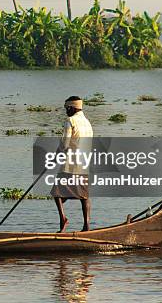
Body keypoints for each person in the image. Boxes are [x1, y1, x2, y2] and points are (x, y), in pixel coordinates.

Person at [50, 96, 93, 232]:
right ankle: (86, 226)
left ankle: (63, 219)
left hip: (71, 163)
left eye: (66, 108)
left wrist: (55, 157)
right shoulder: (87, 122)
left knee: (57, 192)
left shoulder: (70, 121)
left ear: (72, 108)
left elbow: (65, 143)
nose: (66, 112)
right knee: (84, 196)